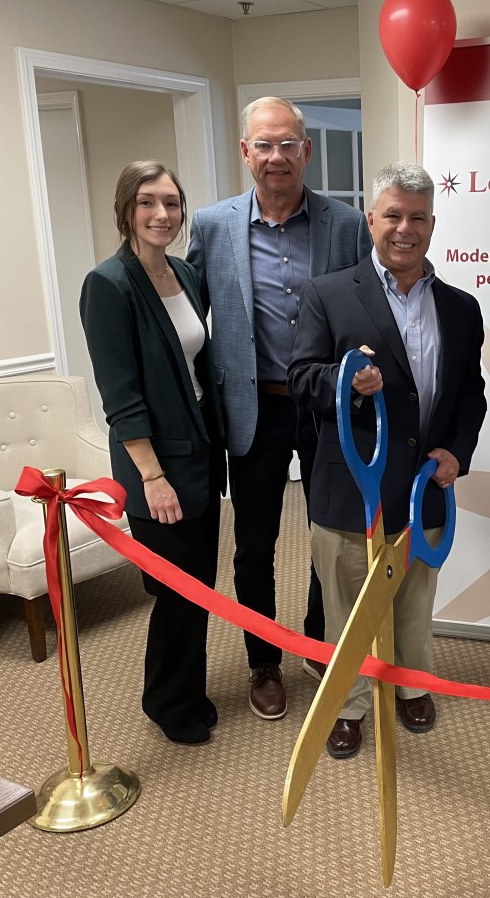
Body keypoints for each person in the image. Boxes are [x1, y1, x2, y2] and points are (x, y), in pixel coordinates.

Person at [288, 161, 485, 759]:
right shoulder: (327, 293)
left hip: (423, 487)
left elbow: (469, 394)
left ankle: (409, 688)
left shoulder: (461, 307)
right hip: (351, 487)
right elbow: (300, 378)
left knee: (414, 597)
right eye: (392, 215)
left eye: (417, 217)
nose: (405, 228)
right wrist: (349, 383)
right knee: (347, 604)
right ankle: (347, 706)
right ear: (371, 219)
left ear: (432, 223)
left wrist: (458, 450)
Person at [187, 97, 372, 722]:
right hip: (252, 411)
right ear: (246, 153)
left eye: (288, 143)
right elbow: (186, 316)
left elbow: (364, 311)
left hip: (327, 409)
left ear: (307, 150)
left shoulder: (346, 225)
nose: (276, 156)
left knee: (330, 532)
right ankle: (263, 660)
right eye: (264, 145)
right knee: (254, 543)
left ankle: (319, 643)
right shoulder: (212, 227)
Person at [80, 160, 225, 745]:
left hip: (198, 454)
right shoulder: (109, 285)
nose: (162, 214)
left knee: (199, 586)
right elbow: (121, 394)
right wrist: (151, 476)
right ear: (126, 211)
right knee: (174, 593)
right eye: (147, 202)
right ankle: (166, 701)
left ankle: (186, 689)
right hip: (156, 467)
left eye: (171, 202)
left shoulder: (183, 274)